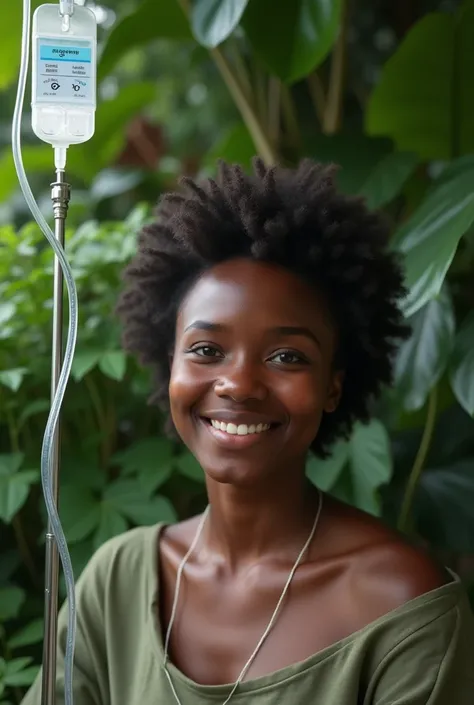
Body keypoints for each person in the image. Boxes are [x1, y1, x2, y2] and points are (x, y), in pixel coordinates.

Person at [22, 158, 474, 705]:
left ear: (334, 386)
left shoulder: (401, 606)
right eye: (207, 350)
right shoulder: (117, 582)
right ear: (171, 366)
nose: (238, 384)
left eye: (286, 356)